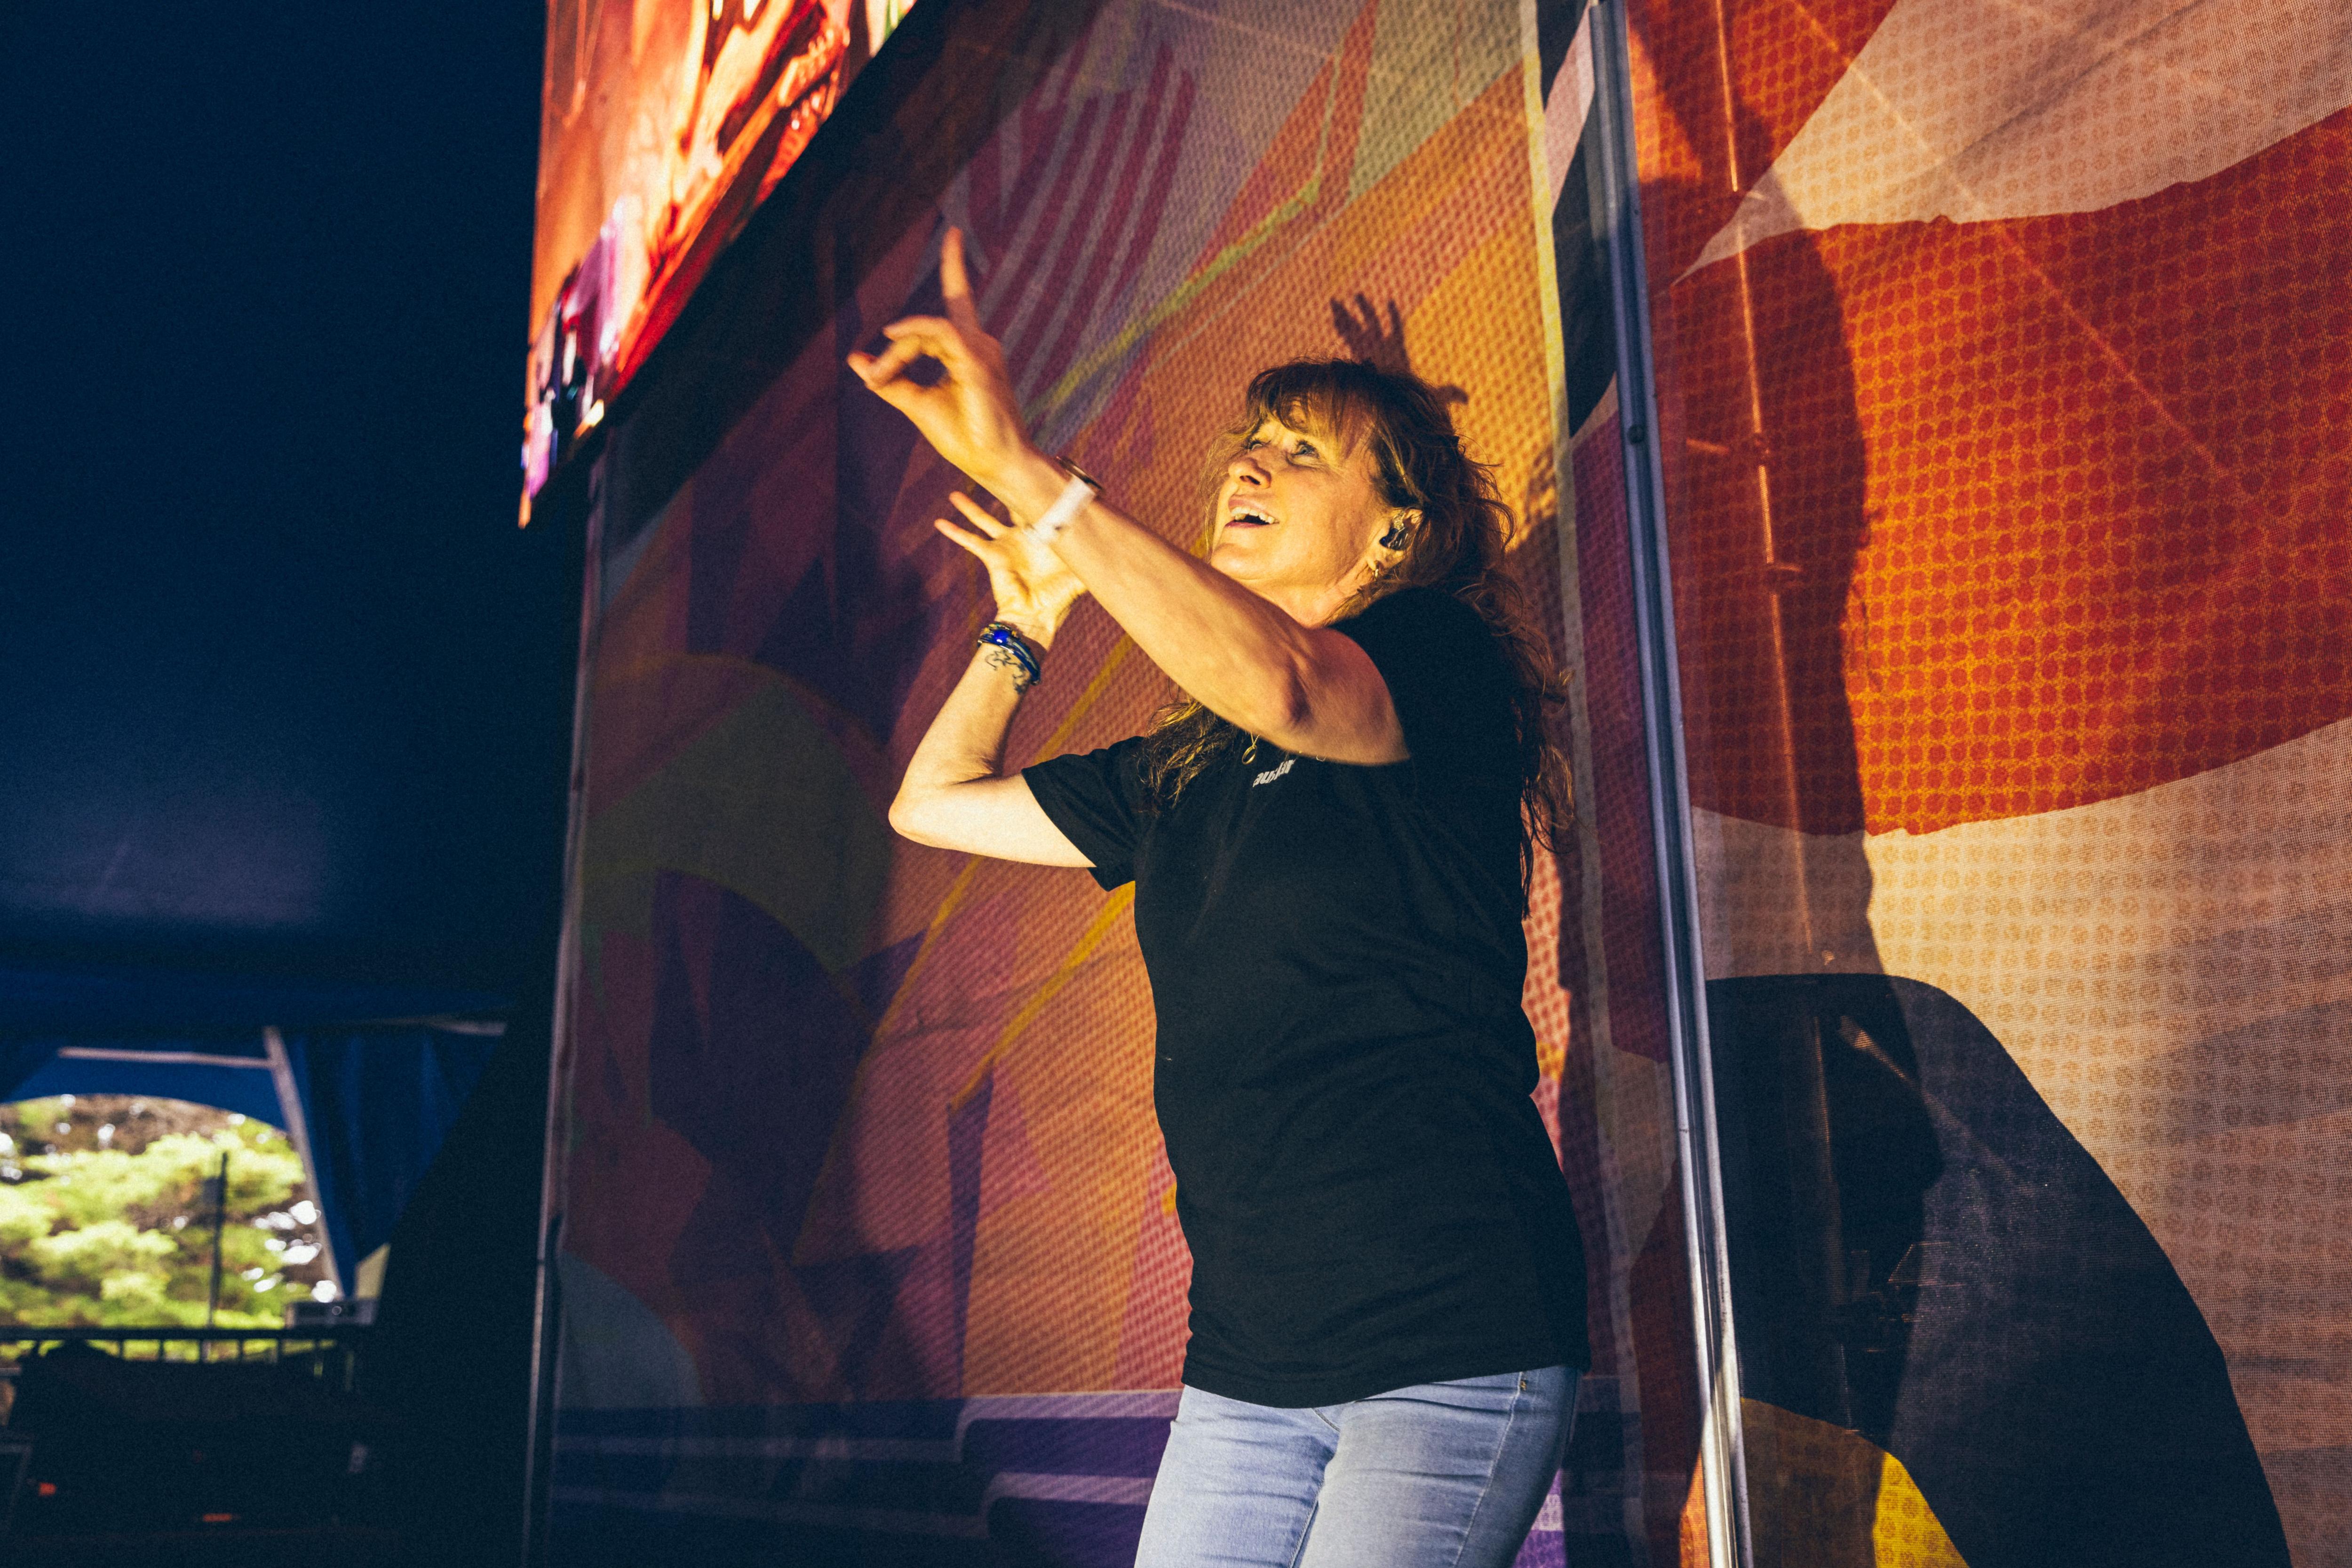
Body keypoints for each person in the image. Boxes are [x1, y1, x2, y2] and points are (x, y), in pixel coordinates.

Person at [854, 229, 1590, 1568]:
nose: (1247, 462)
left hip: (1452, 1337)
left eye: (1302, 450)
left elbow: (1301, 689)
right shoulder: (1180, 769)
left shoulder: (1438, 660)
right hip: (1248, 1367)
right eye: (1249, 442)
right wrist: (1025, 623)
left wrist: (1037, 479)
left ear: (1396, 528)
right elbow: (932, 803)